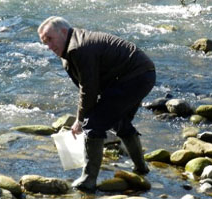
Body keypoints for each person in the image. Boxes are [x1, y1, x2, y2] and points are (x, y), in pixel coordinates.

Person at [38, 16, 156, 192]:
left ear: (63, 31)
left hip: (136, 76)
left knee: (93, 125)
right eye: (44, 42)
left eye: (50, 39)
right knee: (119, 121)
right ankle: (141, 168)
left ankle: (88, 180)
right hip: (137, 75)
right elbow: (87, 89)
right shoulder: (70, 50)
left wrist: (80, 118)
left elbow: (89, 89)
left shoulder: (79, 49)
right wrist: (87, 112)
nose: (48, 46)